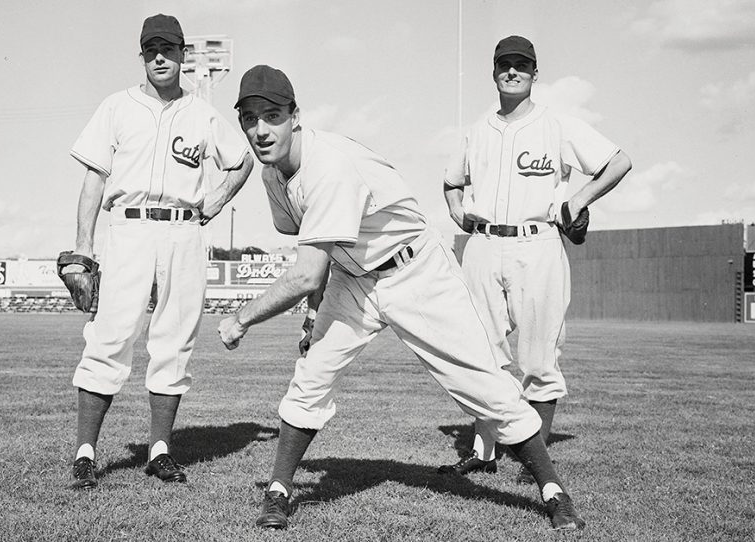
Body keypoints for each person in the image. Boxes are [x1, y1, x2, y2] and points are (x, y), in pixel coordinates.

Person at [218, 64, 585, 531]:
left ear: (295, 116)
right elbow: (308, 239)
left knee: (483, 385)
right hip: (355, 280)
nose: (260, 129)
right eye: (249, 118)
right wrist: (315, 318)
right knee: (311, 376)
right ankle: (279, 490)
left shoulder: (327, 167)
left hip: (415, 271)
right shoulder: (274, 172)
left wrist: (241, 319)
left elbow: (307, 273)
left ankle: (554, 491)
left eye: (271, 115)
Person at [64, 13, 252, 490]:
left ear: (183, 54)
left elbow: (242, 160)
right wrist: (83, 251)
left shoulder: (203, 113)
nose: (160, 57)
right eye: (152, 50)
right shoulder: (116, 107)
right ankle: (86, 452)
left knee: (174, 339)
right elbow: (94, 180)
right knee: (110, 336)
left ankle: (160, 450)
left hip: (184, 231)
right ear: (142, 55)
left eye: (168, 49)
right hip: (127, 228)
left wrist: (211, 205)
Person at [440, 36, 631, 481]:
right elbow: (451, 182)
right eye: (505, 64)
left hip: (537, 241)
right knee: (482, 354)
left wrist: (578, 200)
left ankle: (535, 460)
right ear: (493, 72)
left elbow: (617, 161)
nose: (513, 71)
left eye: (521, 65)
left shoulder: (558, 125)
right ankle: (484, 452)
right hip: (484, 245)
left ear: (535, 73)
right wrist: (458, 211)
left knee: (539, 355)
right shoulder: (477, 129)